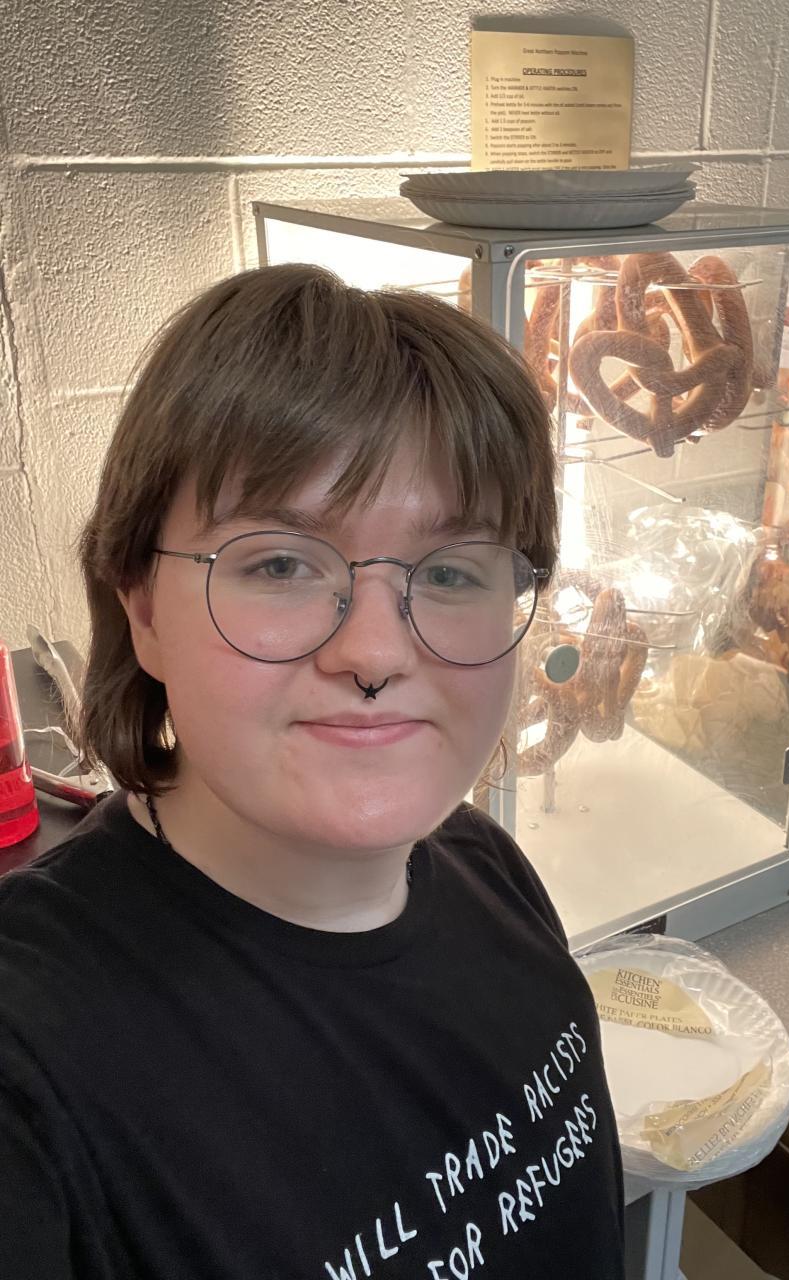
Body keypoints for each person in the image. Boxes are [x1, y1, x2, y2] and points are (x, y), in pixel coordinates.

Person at [0, 264, 625, 1278]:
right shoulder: (34, 1051)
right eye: (282, 563)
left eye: (451, 570)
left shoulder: (486, 864)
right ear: (141, 605)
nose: (374, 654)